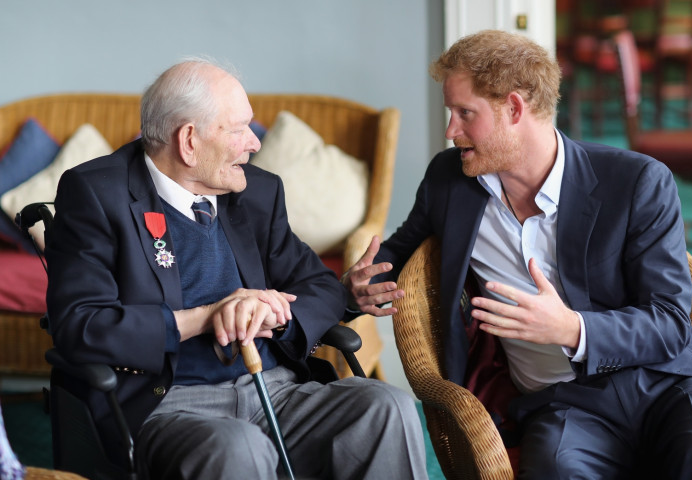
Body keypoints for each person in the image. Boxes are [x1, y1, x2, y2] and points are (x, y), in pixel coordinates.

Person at [343, 30, 692, 479]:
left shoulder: (636, 182)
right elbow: (397, 251)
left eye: (464, 113)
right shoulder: (449, 181)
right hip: (563, 400)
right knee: (552, 469)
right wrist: (358, 287)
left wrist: (572, 328)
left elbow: (669, 322)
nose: (450, 130)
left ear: (514, 108)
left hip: (666, 381)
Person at [45, 58, 428, 480]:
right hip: (168, 402)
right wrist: (207, 317)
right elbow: (81, 326)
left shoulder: (256, 191)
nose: (254, 143)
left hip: (275, 388)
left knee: (387, 407)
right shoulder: (98, 194)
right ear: (189, 141)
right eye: (238, 129)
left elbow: (318, 285)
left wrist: (274, 316)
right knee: (238, 448)